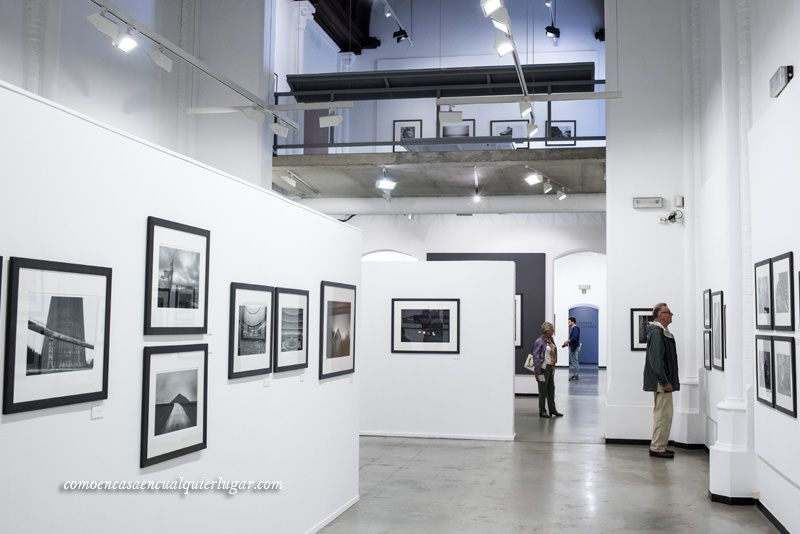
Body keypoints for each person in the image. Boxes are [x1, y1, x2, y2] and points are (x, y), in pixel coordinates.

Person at [643, 303, 680, 458]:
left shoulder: (662, 332)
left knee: (665, 414)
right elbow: (656, 361)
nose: (671, 314)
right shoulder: (658, 333)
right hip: (662, 383)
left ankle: (660, 446)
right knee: (662, 415)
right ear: (660, 315)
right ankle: (657, 448)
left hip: (663, 381)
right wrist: (665, 381)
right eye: (667, 312)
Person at [532, 322, 563, 418]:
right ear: (546, 331)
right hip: (542, 370)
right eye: (551, 330)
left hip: (550, 368)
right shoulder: (539, 342)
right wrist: (537, 372)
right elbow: (536, 357)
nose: (553, 331)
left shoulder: (551, 340)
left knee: (551, 389)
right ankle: (542, 411)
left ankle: (552, 410)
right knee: (542, 390)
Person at [562, 317, 581, 381]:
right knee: (574, 362)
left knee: (575, 362)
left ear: (573, 322)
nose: (568, 323)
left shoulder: (576, 328)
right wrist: (567, 343)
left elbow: (575, 337)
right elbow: (573, 338)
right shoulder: (573, 329)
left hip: (574, 348)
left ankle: (576, 376)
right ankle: (575, 375)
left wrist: (567, 341)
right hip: (573, 347)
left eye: (569, 321)